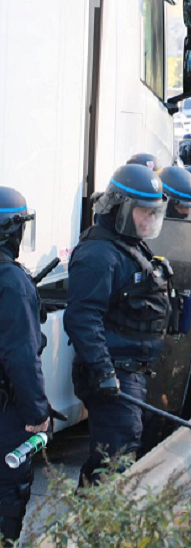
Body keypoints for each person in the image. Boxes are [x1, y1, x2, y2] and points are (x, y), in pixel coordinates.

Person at [65, 164, 172, 486]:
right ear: (121, 208)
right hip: (113, 370)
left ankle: (92, 524)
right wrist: (103, 371)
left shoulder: (129, 244)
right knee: (117, 453)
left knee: (121, 450)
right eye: (143, 211)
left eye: (154, 213)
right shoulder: (99, 253)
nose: (149, 220)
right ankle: (99, 530)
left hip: (132, 368)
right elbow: (83, 317)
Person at [0, 187, 49, 546]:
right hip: (6, 409)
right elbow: (21, 355)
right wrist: (37, 412)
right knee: (10, 488)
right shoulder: (12, 282)